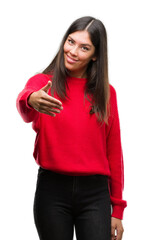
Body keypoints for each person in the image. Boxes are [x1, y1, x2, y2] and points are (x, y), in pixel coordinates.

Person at [16, 16, 127, 240]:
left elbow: (114, 152)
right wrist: (31, 99)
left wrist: (118, 209)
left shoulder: (106, 93)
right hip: (52, 190)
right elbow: (25, 107)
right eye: (70, 42)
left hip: (95, 194)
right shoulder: (43, 83)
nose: (73, 51)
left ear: (95, 55)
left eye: (84, 47)